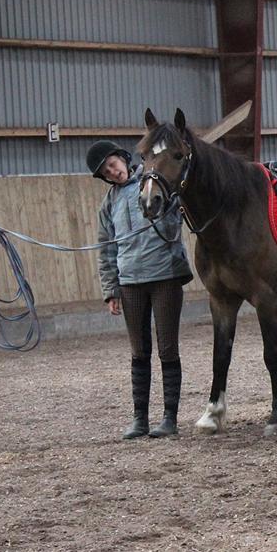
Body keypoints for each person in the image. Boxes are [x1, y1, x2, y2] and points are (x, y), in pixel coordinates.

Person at [88, 140, 192, 440]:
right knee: (138, 351)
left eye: (113, 164)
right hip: (130, 281)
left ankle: (169, 416)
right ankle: (140, 418)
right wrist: (111, 290)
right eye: (107, 171)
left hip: (165, 276)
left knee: (168, 347)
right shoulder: (109, 203)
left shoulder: (152, 184)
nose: (113, 172)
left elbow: (175, 221)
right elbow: (105, 250)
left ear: (122, 159)